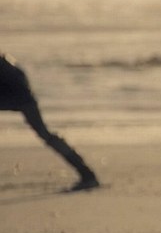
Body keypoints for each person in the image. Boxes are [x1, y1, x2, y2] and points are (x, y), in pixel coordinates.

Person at [1, 53, 99, 191]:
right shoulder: (7, 61)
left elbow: (19, 86)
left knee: (45, 134)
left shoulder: (5, 64)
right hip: (23, 99)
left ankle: (87, 175)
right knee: (45, 134)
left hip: (22, 100)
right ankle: (87, 174)